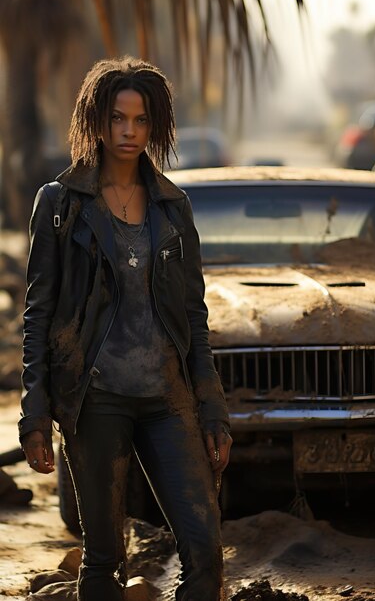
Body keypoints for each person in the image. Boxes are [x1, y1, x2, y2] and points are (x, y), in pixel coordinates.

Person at [18, 56, 232, 601]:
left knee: (205, 551)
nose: (129, 132)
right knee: (104, 560)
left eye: (140, 121)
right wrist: (36, 416)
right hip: (96, 400)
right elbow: (39, 315)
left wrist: (212, 409)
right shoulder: (62, 204)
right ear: (97, 121)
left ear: (155, 125)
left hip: (169, 399)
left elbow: (194, 317)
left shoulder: (174, 207)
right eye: (118, 119)